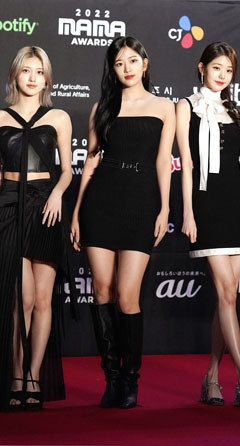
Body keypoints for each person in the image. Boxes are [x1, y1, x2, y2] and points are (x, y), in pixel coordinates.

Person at [70, 36, 175, 409]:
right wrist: (77, 212)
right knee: (101, 290)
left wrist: (164, 209)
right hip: (101, 200)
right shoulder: (101, 108)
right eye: (119, 63)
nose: (127, 68)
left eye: (132, 61)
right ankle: (111, 379)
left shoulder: (164, 107)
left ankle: (131, 379)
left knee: (128, 295)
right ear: (112, 70)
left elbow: (164, 161)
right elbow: (90, 162)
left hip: (141, 201)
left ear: (144, 63)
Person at [0, 46, 76, 411]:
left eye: (39, 71)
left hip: (46, 207)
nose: (32, 78)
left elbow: (67, 170)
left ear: (47, 79)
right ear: (14, 75)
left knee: (44, 300)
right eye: (26, 71)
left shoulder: (59, 117)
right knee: (23, 299)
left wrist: (57, 194)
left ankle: (34, 374)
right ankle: (16, 373)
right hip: (8, 208)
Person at [176, 42, 240, 410]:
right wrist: (188, 212)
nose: (222, 75)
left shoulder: (237, 113)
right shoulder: (185, 106)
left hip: (239, 206)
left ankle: (212, 377)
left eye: (229, 71)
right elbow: (186, 163)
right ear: (201, 68)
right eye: (217, 68)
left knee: (226, 297)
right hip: (207, 205)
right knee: (227, 292)